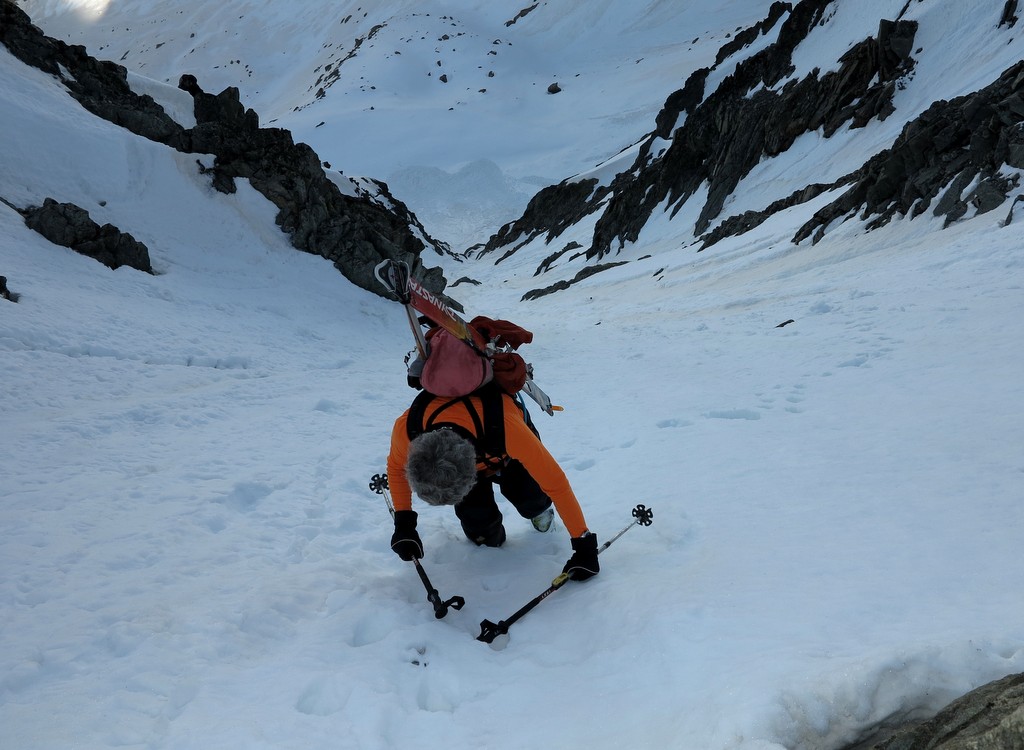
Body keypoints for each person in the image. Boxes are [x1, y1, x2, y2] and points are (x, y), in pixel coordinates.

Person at [385, 384, 599, 581]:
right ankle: (487, 533)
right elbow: (396, 470)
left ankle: (540, 512)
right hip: (474, 452)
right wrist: (404, 524)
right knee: (481, 531)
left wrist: (584, 545)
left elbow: (556, 483)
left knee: (530, 497)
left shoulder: (509, 429)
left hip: (506, 453)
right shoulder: (408, 429)